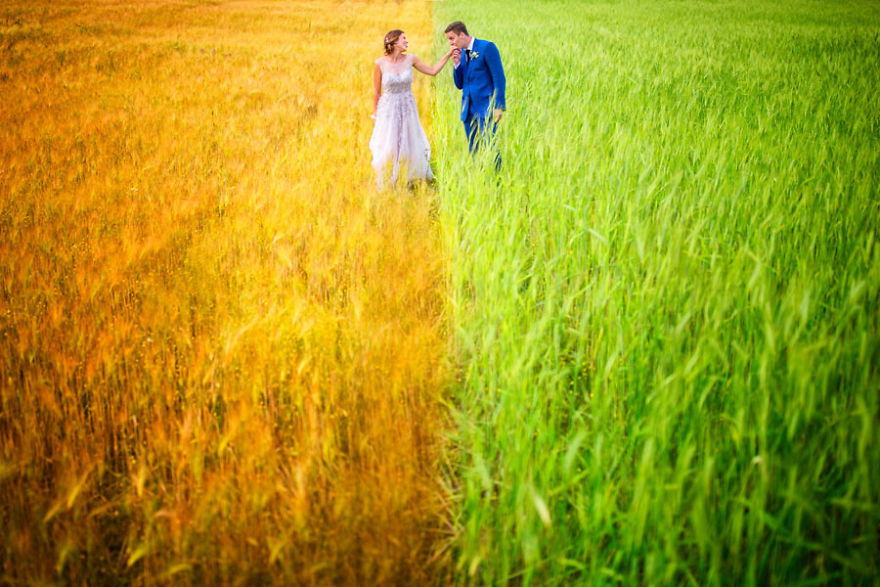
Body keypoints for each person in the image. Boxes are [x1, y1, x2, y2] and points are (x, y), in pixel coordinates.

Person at [369, 30, 454, 189]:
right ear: (394, 42)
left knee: (409, 140)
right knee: (390, 143)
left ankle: (408, 178)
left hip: (408, 108)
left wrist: (448, 55)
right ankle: (390, 177)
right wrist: (376, 116)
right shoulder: (380, 64)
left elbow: (432, 71)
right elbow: (376, 93)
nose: (407, 41)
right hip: (388, 109)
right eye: (404, 39)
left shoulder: (411, 59)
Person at [444, 21, 506, 163]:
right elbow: (460, 85)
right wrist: (456, 64)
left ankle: (497, 176)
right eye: (448, 40)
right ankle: (479, 175)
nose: (450, 43)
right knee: (474, 150)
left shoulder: (486, 47)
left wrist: (499, 106)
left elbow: (499, 78)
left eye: (452, 38)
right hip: (468, 110)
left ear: (462, 35)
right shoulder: (461, 54)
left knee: (491, 147)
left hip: (486, 108)